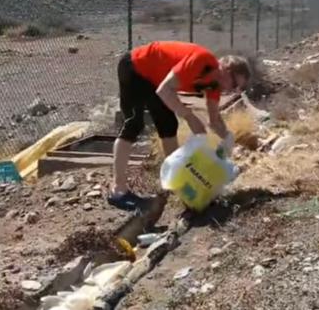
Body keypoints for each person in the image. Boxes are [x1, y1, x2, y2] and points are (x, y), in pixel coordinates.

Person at [108, 40, 252, 210]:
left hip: (154, 79)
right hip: (135, 66)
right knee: (133, 125)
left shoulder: (214, 86)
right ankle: (118, 192)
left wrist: (227, 138)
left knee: (168, 125)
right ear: (226, 70)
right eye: (234, 85)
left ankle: (177, 183)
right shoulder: (202, 61)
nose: (233, 91)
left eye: (237, 89)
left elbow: (214, 120)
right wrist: (189, 117)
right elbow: (164, 90)